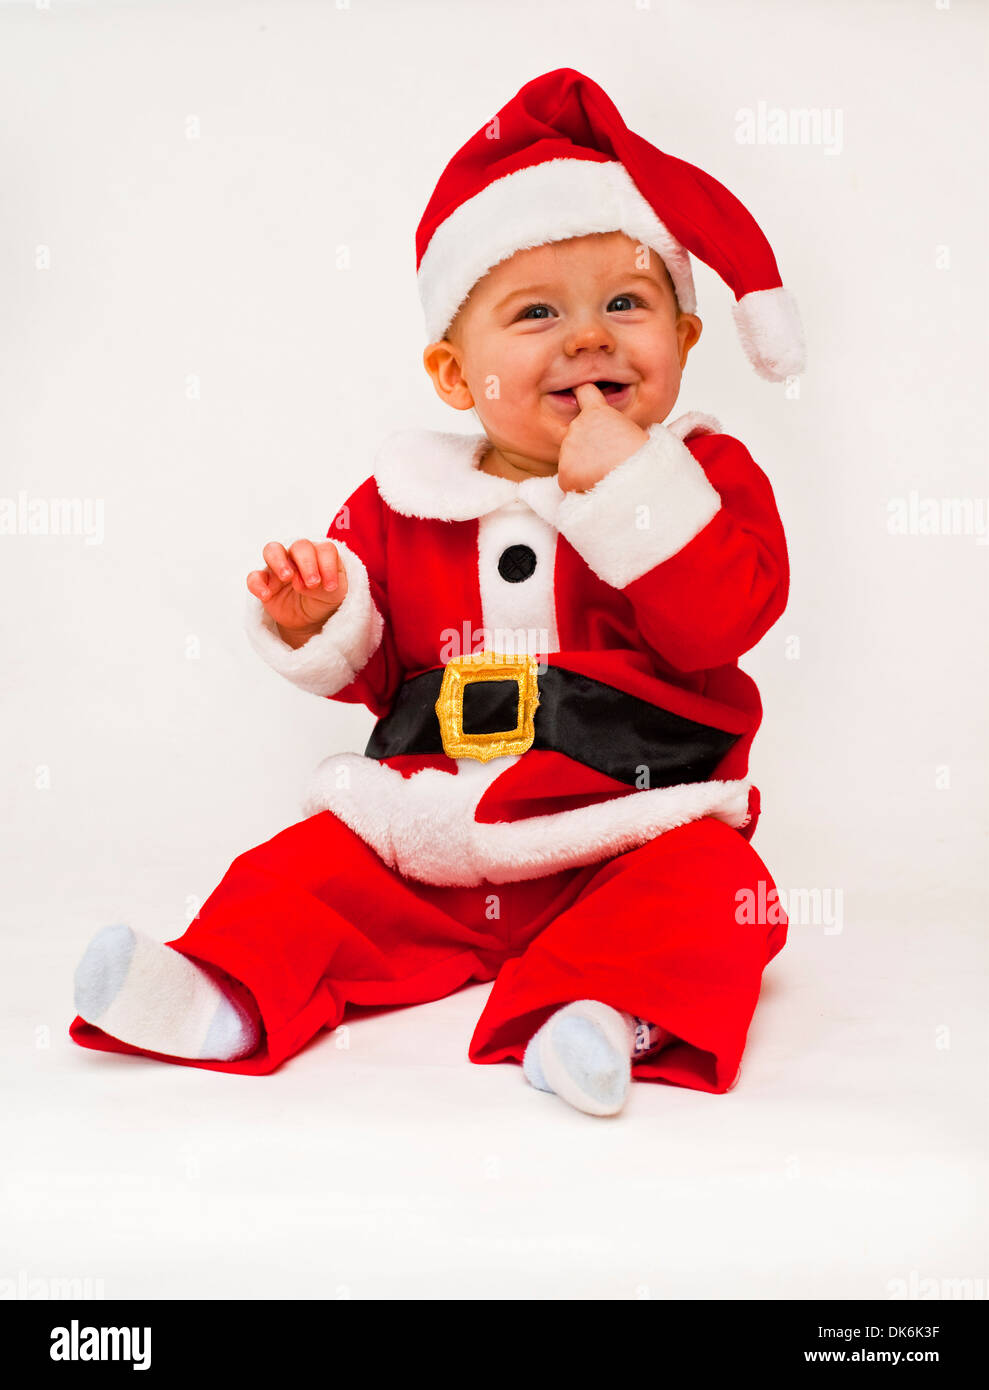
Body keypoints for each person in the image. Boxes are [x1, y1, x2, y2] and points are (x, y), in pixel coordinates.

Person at [70, 68, 804, 1117]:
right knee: (307, 863)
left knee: (719, 897)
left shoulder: (700, 477)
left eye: (627, 304)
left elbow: (716, 627)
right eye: (536, 312)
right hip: (439, 831)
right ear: (458, 378)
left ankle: (599, 1016)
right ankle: (224, 988)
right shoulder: (404, 497)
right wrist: (318, 618)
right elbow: (378, 673)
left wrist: (630, 489)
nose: (588, 337)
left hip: (633, 828)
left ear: (682, 344)